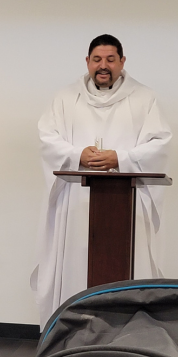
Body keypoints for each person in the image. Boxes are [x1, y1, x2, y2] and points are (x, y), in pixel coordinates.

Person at [31, 34, 172, 331]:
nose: (103, 66)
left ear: (122, 61)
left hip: (126, 205)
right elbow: (48, 139)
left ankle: (128, 335)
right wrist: (76, 154)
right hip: (76, 205)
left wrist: (120, 159)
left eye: (110, 59)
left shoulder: (144, 98)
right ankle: (71, 333)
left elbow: (159, 143)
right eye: (97, 59)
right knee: (75, 266)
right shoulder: (65, 98)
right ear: (87, 62)